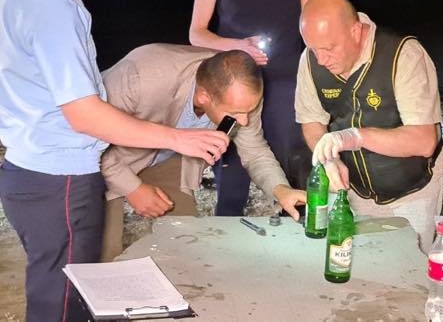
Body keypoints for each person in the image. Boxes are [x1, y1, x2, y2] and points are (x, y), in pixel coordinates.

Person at [0, 0, 229, 322]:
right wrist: (178, 138)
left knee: (52, 296)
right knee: (65, 306)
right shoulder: (52, 2)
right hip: (61, 180)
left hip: (22, 171)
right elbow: (85, 114)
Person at [189, 0, 321, 216]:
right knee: (232, 176)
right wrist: (237, 46)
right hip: (233, 81)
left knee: (292, 165)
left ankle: (295, 230)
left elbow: (312, 25)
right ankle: (225, 237)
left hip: (286, 77)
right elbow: (197, 33)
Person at [98, 45, 307, 261]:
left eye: (249, 112)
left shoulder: (243, 92)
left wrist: (280, 189)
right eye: (236, 114)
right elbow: (88, 139)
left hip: (170, 158)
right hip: (106, 159)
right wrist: (133, 188)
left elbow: (254, 151)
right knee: (102, 251)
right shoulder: (140, 77)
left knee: (184, 242)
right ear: (204, 96)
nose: (244, 121)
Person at [295, 0, 443, 252]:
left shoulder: (403, 55)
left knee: (409, 266)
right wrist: (329, 158)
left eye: (329, 49)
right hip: (351, 191)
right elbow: (311, 121)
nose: (321, 60)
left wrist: (353, 137)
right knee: (354, 261)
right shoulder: (310, 61)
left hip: (411, 189)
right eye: (313, 49)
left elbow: (424, 141)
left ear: (356, 31)